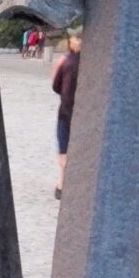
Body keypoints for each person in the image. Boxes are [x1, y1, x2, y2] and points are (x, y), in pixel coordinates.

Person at [52, 28, 82, 200]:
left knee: (64, 147)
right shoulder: (92, 62)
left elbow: (55, 86)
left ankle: (62, 184)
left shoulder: (65, 61)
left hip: (66, 110)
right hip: (75, 111)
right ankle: (65, 183)